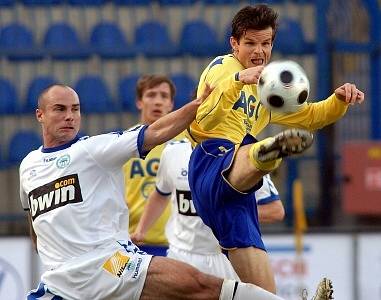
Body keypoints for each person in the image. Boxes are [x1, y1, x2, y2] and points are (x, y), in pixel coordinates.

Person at [20, 83, 309, 300]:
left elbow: (155, 132)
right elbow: (34, 221)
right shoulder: (28, 166)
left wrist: (199, 105)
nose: (70, 116)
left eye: (75, 109)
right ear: (40, 115)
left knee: (199, 285)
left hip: (111, 265)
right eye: (60, 109)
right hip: (61, 283)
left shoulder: (94, 149)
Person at [186, 3, 363, 296]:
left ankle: (266, 154)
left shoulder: (268, 88)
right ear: (234, 44)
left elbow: (310, 117)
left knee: (265, 292)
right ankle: (268, 152)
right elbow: (204, 118)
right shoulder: (223, 68)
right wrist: (236, 81)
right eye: (250, 43)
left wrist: (339, 100)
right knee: (246, 149)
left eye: (265, 43)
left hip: (237, 196)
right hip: (210, 162)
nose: (259, 51)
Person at [131, 137, 284, 281]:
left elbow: (275, 211)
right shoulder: (173, 151)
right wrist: (141, 230)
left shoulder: (242, 155)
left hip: (226, 255)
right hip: (181, 253)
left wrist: (225, 212)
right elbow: (161, 193)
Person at [123, 74, 183, 256]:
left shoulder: (185, 144)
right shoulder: (124, 143)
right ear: (139, 102)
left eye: (164, 96)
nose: (158, 102)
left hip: (176, 244)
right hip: (131, 241)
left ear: (171, 104)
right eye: (151, 95)